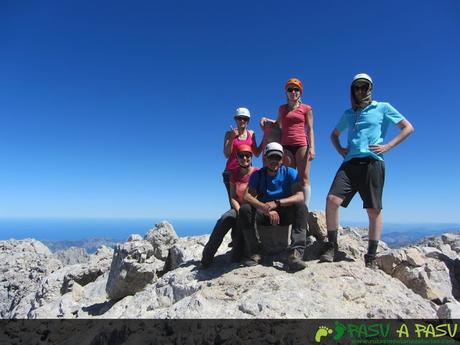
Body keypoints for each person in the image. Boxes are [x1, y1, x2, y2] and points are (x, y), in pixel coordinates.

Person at [320, 73, 414, 268]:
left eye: (364, 87)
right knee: (331, 200)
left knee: (373, 209)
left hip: (373, 162)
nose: (360, 91)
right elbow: (334, 134)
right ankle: (331, 246)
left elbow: (407, 127)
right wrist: (340, 149)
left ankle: (370, 257)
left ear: (370, 89)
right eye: (357, 88)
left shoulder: (382, 107)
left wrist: (388, 146)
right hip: (350, 163)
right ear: (352, 91)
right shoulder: (349, 113)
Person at [237, 142, 308, 271]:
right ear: (265, 158)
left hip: (285, 212)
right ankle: (255, 252)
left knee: (301, 207)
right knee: (245, 210)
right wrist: (264, 208)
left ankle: (296, 254)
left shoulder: (290, 173)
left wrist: (277, 203)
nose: (274, 161)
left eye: (278, 157)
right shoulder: (258, 175)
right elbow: (247, 196)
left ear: (282, 159)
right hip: (265, 214)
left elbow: (300, 196)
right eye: (271, 157)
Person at [260, 78, 315, 207]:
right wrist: (266, 119)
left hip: (302, 144)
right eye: (290, 89)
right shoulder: (282, 109)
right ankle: (291, 206)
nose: (293, 92)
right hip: (286, 146)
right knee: (290, 178)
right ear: (286, 92)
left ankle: (304, 209)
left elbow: (310, 129)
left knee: (304, 178)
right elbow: (278, 123)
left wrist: (312, 147)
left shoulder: (306, 108)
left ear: (300, 92)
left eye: (296, 89)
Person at [201, 144, 258, 268]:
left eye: (247, 155)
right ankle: (206, 258)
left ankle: (243, 252)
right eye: (241, 156)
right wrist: (238, 210)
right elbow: (233, 196)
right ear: (236, 158)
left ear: (251, 157)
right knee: (223, 220)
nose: (244, 158)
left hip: (253, 209)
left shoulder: (257, 173)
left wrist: (244, 211)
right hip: (238, 208)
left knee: (244, 218)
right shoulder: (235, 175)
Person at [223, 107, 261, 205]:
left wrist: (265, 137)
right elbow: (227, 154)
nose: (242, 120)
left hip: (246, 173)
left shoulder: (251, 134)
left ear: (248, 120)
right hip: (231, 172)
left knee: (249, 201)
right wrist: (232, 138)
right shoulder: (229, 134)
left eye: (245, 118)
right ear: (235, 119)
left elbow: (256, 153)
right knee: (234, 203)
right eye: (239, 118)